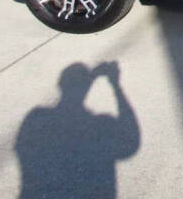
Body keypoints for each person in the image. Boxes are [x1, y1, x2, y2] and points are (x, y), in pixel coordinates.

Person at [15, 62, 140, 198]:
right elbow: (131, 142)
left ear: (59, 85)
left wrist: (88, 78)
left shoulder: (36, 119)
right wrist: (116, 85)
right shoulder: (100, 127)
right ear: (87, 89)